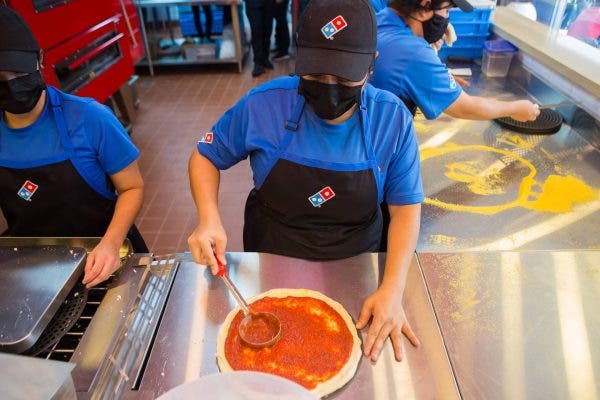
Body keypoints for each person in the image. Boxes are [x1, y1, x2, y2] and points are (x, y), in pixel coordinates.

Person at [188, 0, 423, 363]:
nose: (329, 87)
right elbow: (205, 155)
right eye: (315, 74)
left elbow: (406, 208)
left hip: (357, 261)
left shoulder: (391, 120)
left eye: (344, 77)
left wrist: (392, 289)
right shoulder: (265, 104)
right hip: (275, 252)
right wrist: (208, 217)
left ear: (371, 63)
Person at [0, 6, 147, 288]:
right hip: (34, 272)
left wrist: (112, 244)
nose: (11, 85)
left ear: (39, 60)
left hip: (105, 262)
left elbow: (132, 187)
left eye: (18, 71)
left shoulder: (90, 119)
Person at [371, 0, 541, 121]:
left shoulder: (379, 19)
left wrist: (437, 76)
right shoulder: (413, 53)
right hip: (378, 154)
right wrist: (516, 109)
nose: (447, 19)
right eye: (447, 11)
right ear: (424, 7)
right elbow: (467, 108)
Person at [245, 0, 276, 77]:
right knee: (256, 32)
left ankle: (265, 58)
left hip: (269, 3)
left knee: (267, 30)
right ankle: (258, 63)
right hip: (253, 3)